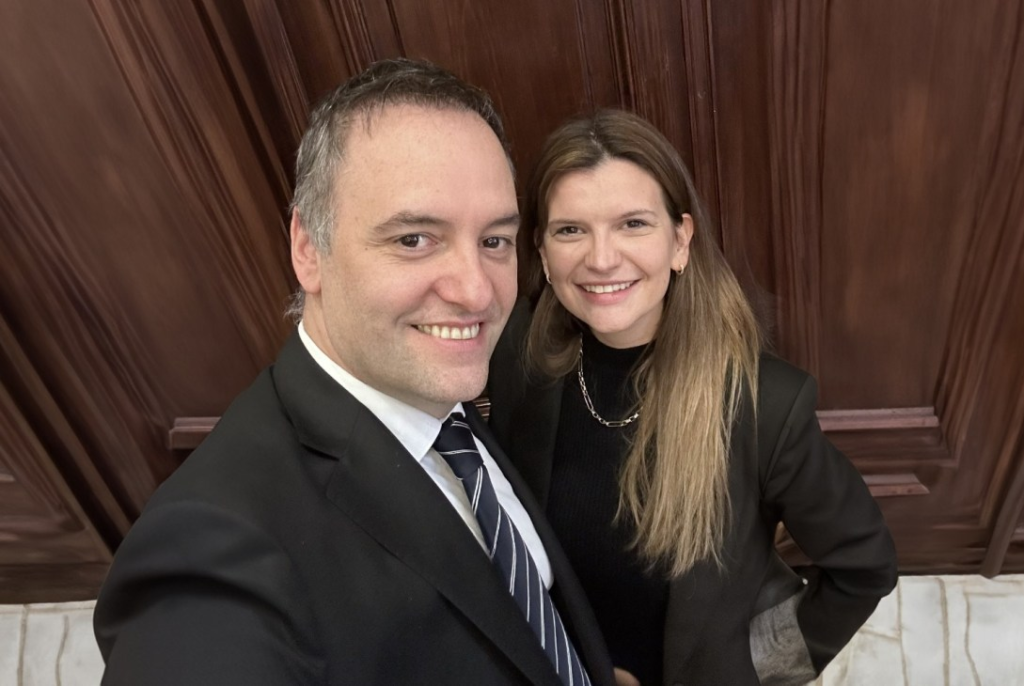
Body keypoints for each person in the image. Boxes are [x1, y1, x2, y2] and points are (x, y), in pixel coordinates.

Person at [93, 58, 616, 686]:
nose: (478, 292)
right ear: (308, 249)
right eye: (414, 239)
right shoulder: (209, 554)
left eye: (494, 241)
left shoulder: (437, 392)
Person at [487, 109, 898, 686]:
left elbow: (865, 569)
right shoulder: (516, 349)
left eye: (633, 224)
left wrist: (751, 673)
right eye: (570, 230)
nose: (601, 259)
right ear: (543, 250)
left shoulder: (764, 405)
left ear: (680, 241)